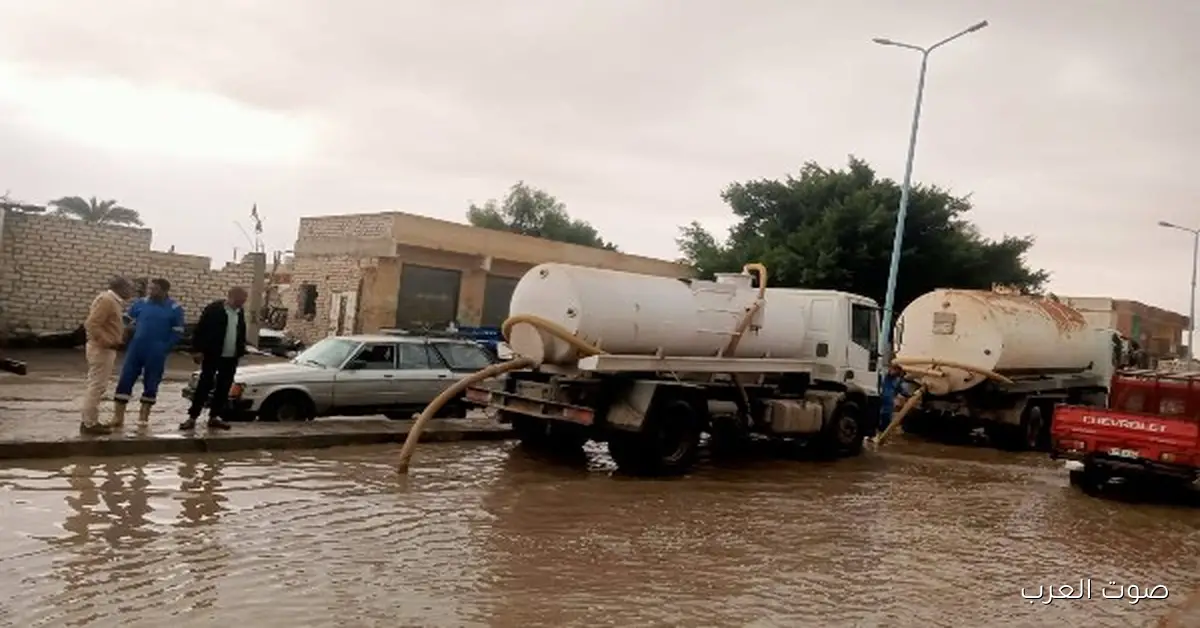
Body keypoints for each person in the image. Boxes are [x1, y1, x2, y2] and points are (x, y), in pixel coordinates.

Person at [111, 278, 185, 426]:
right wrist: (124, 333)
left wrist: (165, 347)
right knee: (126, 378)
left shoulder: (175, 308)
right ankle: (118, 418)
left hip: (157, 350)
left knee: (152, 381)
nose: (151, 291)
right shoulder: (140, 303)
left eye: (155, 289)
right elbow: (125, 319)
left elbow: (177, 332)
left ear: (164, 291)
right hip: (136, 347)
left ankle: (143, 418)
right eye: (150, 289)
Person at [181, 287, 248, 431]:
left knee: (224, 387)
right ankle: (192, 417)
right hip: (213, 354)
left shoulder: (240, 312)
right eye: (239, 301)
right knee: (204, 384)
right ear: (230, 297)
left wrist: (241, 349)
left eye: (243, 302)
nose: (241, 304)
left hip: (231, 356)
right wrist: (197, 350)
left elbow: (240, 330)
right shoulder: (214, 309)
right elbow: (200, 329)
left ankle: (215, 416)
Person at [81, 277, 134, 434]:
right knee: (97, 386)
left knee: (98, 386)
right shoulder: (107, 300)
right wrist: (107, 341)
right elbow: (91, 324)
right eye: (129, 288)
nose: (131, 292)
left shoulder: (112, 301)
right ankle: (89, 423)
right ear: (121, 288)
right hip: (102, 348)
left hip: (105, 348)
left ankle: (89, 420)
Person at [876, 364, 909, 436]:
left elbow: (901, 390)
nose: (897, 373)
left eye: (898, 372)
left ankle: (882, 435)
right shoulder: (886, 376)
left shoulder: (897, 380)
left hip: (889, 403)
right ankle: (879, 434)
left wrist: (909, 395)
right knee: (881, 418)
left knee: (886, 421)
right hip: (883, 400)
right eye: (896, 370)